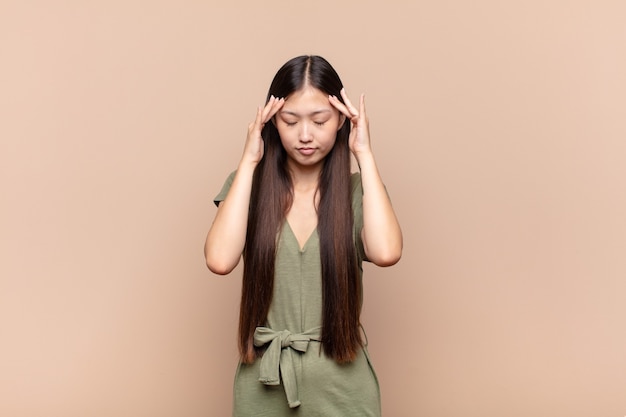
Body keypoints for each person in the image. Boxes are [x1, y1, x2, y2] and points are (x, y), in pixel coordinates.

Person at [204, 55, 402, 416]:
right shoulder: (247, 188)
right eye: (290, 121)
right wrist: (249, 161)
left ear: (341, 119)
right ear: (272, 122)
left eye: (320, 120)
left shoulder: (358, 193)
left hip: (343, 383)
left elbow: (387, 252)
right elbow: (219, 260)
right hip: (264, 381)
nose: (305, 135)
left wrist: (365, 153)